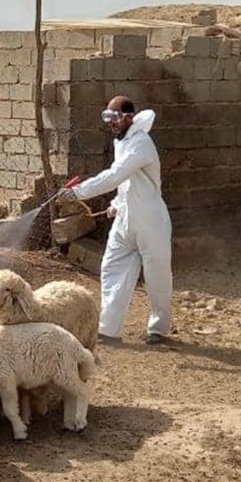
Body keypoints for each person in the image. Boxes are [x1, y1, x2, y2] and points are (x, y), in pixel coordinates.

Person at [58, 96, 172, 346]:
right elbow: (128, 182)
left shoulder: (141, 143)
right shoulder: (122, 141)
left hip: (151, 221)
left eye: (115, 117)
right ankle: (108, 329)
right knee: (111, 269)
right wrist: (117, 204)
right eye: (107, 117)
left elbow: (115, 174)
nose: (110, 122)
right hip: (125, 220)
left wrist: (78, 192)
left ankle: (159, 328)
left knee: (157, 276)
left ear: (129, 117)